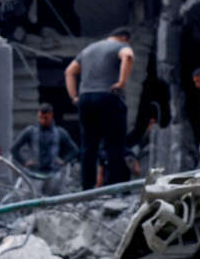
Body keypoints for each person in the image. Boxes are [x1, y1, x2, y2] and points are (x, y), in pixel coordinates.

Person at [66, 27, 135, 190]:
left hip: (86, 99)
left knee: (89, 146)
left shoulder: (88, 49)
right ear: (125, 38)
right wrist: (122, 83)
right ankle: (113, 188)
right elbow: (128, 56)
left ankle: (87, 188)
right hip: (108, 97)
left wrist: (74, 96)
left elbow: (69, 71)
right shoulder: (121, 46)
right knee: (114, 145)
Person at [10, 103, 78, 194]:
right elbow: (14, 149)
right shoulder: (31, 131)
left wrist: (64, 161)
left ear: (51, 116)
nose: (42, 120)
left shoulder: (59, 132)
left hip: (54, 174)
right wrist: (24, 162)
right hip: (34, 175)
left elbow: (74, 150)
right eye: (40, 117)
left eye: (45, 118)